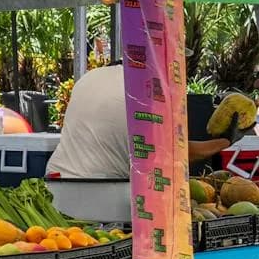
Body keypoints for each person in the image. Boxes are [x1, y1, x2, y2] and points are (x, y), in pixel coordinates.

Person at [49, 63, 247, 180]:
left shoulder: (89, 77)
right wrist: (226, 141)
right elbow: (178, 152)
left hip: (55, 182)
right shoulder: (149, 93)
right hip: (104, 199)